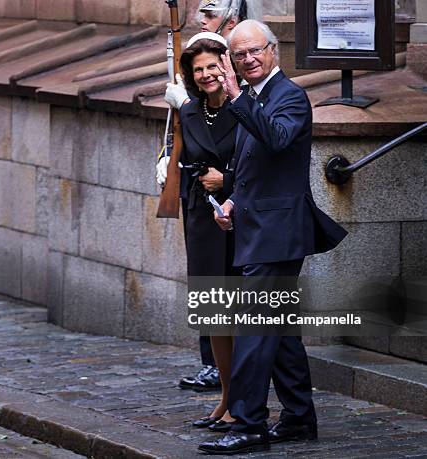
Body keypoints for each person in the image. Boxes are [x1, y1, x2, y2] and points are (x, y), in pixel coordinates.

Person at [198, 20, 348, 454]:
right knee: (279, 330)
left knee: (253, 326)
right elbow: (252, 167)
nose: (247, 60)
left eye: (254, 51)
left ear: (273, 51)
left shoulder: (289, 97)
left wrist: (238, 96)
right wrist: (231, 203)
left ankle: (248, 424)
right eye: (239, 54)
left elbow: (279, 140)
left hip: (279, 232)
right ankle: (299, 418)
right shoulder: (252, 98)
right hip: (257, 226)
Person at [161, 0, 251, 399]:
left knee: (232, 292)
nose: (206, 74)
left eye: (213, 66)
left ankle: (236, 374)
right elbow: (187, 149)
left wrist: (226, 179)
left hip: (236, 212)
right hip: (201, 209)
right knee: (205, 288)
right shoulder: (192, 109)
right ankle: (210, 366)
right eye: (198, 70)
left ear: (226, 66)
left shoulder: (244, 106)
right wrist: (168, 158)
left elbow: (254, 161)